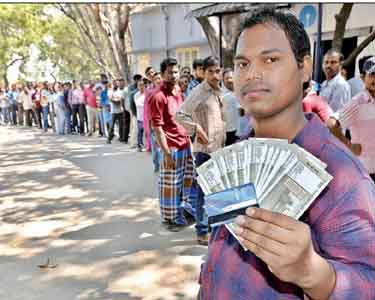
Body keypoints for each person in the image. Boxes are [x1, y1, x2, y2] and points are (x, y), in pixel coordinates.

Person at [198, 8, 375, 300]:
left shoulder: (344, 178)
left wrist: (313, 272)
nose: (251, 73)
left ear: (305, 67)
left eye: (270, 59)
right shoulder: (237, 154)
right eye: (242, 63)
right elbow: (221, 246)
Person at [176, 56, 226, 245]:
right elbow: (179, 115)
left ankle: (213, 227)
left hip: (219, 149)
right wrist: (196, 129)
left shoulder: (219, 91)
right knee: (203, 191)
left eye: (217, 71)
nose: (215, 75)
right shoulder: (199, 92)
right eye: (211, 71)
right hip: (204, 150)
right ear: (204, 72)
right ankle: (202, 230)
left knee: (215, 190)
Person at [149, 57, 194, 232]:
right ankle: (171, 218)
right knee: (170, 184)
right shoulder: (158, 96)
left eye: (176, 71)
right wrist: (166, 153)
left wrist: (189, 140)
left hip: (184, 143)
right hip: (171, 148)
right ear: (162, 74)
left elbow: (182, 118)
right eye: (170, 72)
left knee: (185, 182)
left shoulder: (178, 91)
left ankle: (181, 212)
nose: (174, 75)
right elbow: (157, 128)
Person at [327, 56, 375, 182]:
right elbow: (331, 125)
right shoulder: (358, 102)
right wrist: (349, 146)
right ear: (363, 77)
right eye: (372, 75)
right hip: (365, 173)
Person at [222, 68, 242, 145]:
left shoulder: (242, 92)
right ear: (223, 80)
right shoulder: (222, 96)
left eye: (231, 77)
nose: (229, 80)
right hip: (228, 133)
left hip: (242, 133)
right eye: (226, 78)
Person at [107, 80, 125, 144]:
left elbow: (120, 100)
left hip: (120, 111)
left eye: (117, 83)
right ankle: (109, 139)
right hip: (113, 112)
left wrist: (116, 100)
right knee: (111, 126)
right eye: (114, 83)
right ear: (112, 84)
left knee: (121, 125)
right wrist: (116, 100)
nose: (116, 84)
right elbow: (111, 99)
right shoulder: (110, 91)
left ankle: (121, 138)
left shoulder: (120, 91)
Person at [134, 79, 146, 151]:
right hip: (140, 117)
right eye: (139, 85)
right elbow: (138, 104)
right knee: (140, 131)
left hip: (147, 117)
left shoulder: (147, 94)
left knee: (148, 133)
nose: (141, 86)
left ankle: (148, 146)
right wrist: (145, 105)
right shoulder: (136, 95)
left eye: (142, 85)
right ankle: (139, 145)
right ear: (137, 86)